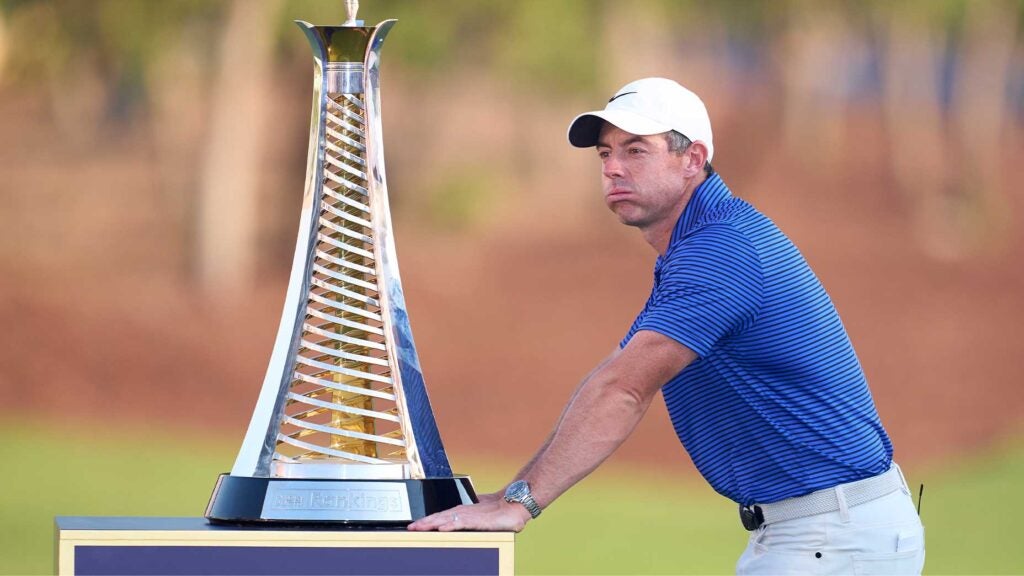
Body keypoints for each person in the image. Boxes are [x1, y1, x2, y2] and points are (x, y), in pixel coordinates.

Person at [408, 77, 925, 574]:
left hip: (834, 539)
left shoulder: (721, 251)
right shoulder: (700, 245)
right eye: (606, 153)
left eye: (636, 150)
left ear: (693, 159)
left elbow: (625, 390)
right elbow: (616, 376)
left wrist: (519, 503)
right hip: (821, 534)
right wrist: (511, 492)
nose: (612, 168)